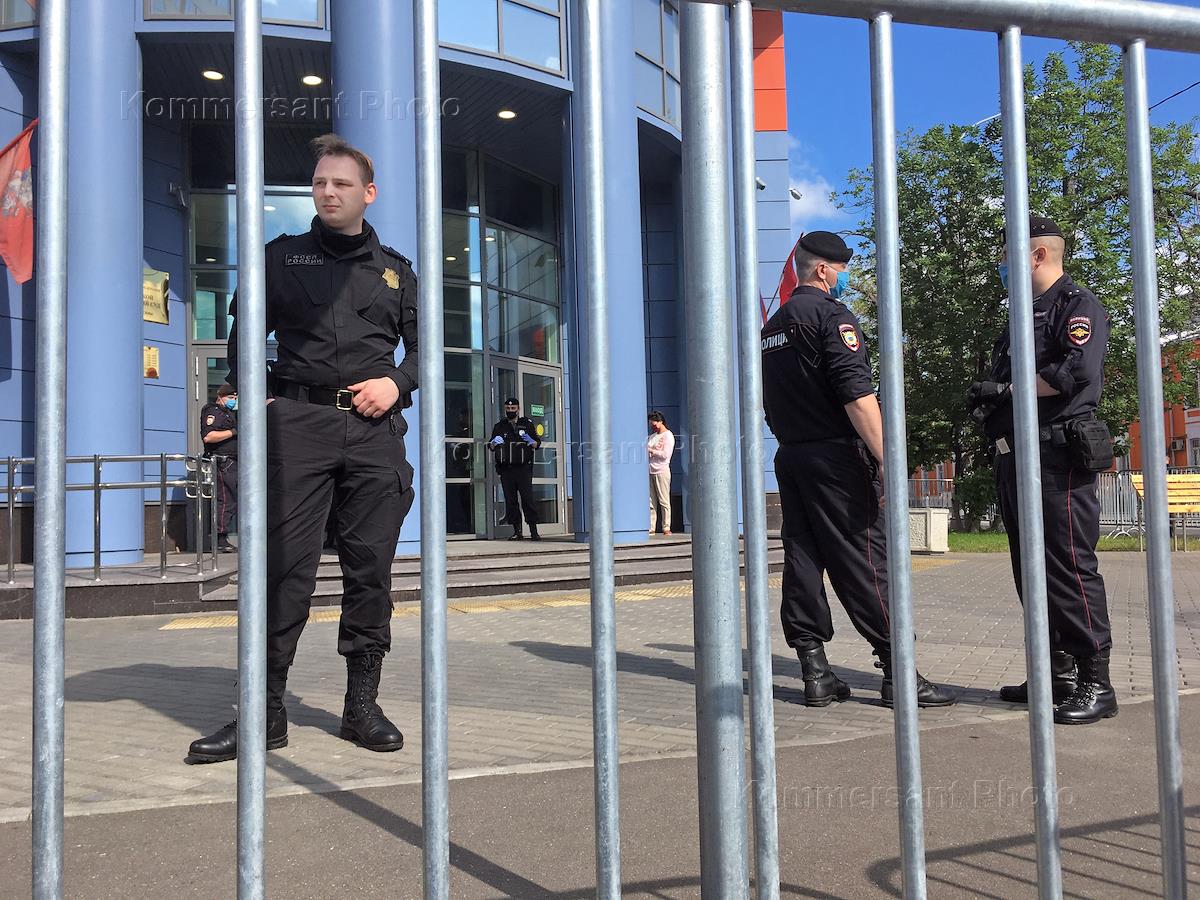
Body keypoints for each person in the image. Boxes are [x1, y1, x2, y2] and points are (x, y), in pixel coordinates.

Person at [188, 133, 417, 763]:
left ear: (368, 193)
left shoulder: (397, 271)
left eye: (342, 183)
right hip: (297, 428)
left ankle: (361, 706)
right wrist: (254, 399)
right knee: (283, 570)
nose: (328, 192)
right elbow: (242, 340)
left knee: (369, 571)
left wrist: (397, 383)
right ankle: (263, 713)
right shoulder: (279, 259)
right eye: (320, 183)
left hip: (373, 434)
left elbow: (424, 352)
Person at [761, 230, 955, 709]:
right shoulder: (833, 317)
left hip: (792, 456)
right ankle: (898, 672)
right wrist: (888, 459)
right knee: (866, 558)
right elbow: (857, 396)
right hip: (837, 459)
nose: (846, 276)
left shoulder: (773, 327)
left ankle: (815, 671)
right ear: (823, 270)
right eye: (843, 269)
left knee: (803, 558)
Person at [969, 215, 1116, 724]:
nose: (1002, 264)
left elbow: (1076, 372)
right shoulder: (1023, 314)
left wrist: (1008, 391)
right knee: (1029, 570)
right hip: (1015, 454)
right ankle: (1056, 673)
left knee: (1068, 566)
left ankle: (1096, 681)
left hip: (1056, 458)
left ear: (1036, 254)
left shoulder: (1076, 306)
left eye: (1007, 254)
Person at [489, 397, 541, 541]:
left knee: (527, 499)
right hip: (507, 469)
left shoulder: (527, 424)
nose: (510, 410)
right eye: (508, 408)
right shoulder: (500, 426)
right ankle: (517, 531)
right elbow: (491, 446)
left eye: (513, 408)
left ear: (518, 409)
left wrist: (531, 441)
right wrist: (494, 442)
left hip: (523, 468)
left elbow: (537, 443)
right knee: (511, 501)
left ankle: (534, 531)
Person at [200, 383, 238, 553]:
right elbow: (209, 437)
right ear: (220, 396)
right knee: (225, 499)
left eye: (235, 398)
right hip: (223, 463)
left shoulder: (227, 413)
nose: (233, 400)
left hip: (232, 462)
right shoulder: (213, 411)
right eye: (230, 397)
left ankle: (222, 537)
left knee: (231, 499)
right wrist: (234, 432)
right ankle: (219, 538)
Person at [647, 411, 675, 536]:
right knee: (651, 501)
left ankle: (666, 526)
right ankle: (651, 527)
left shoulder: (668, 435)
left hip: (662, 470)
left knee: (664, 500)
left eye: (654, 424)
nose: (652, 426)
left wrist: (652, 451)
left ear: (660, 422)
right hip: (650, 470)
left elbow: (666, 455)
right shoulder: (652, 437)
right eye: (651, 424)